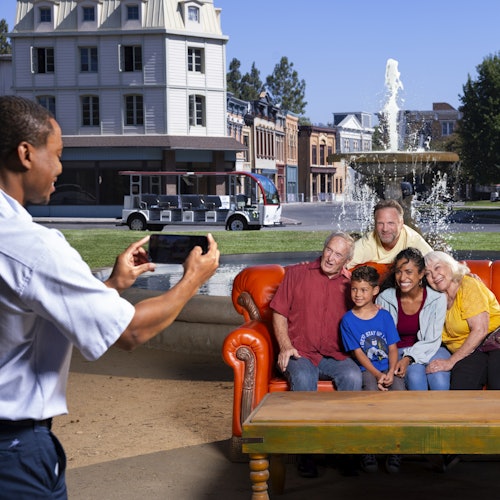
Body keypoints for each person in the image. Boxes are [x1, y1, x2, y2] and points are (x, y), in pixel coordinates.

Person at [0, 96, 219, 498]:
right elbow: (131, 332)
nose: (61, 168)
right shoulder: (33, 246)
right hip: (13, 449)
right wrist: (193, 278)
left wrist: (114, 285)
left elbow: (25, 316)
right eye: (59, 154)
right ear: (26, 154)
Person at [270, 231, 362, 477]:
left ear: (346, 261)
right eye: (329, 250)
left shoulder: (351, 286)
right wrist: (285, 345)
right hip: (301, 352)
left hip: (334, 356)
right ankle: (306, 453)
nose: (330, 258)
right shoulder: (296, 274)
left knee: (353, 377)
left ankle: (343, 452)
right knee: (303, 379)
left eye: (338, 254)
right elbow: (278, 312)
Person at [340, 265, 405, 474]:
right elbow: (358, 354)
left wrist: (391, 371)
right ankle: (368, 449)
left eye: (363, 289)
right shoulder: (347, 321)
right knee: (369, 394)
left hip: (389, 367)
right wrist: (378, 375)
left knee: (400, 395)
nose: (358, 294)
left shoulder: (384, 316)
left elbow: (393, 348)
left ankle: (396, 449)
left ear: (374, 291)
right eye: (354, 289)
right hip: (368, 369)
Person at [376, 247, 450, 390]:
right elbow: (380, 338)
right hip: (398, 350)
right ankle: (421, 413)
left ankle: (442, 412)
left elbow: (432, 339)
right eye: (398, 272)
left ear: (421, 273)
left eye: (409, 272)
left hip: (432, 347)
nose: (402, 278)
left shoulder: (437, 299)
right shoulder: (384, 298)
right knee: (415, 376)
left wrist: (408, 358)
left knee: (439, 379)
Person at [424, 251, 500, 390]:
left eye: (437, 267)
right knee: (461, 386)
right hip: (471, 351)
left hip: (495, 341)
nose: (434, 276)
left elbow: (480, 330)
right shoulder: (434, 299)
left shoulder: (468, 285)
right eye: (427, 273)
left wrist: (450, 362)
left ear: (451, 265)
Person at [347, 199, 432, 270]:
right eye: (380, 223)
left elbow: (436, 265)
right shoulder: (368, 242)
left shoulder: (413, 240)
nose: (385, 229)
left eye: (390, 223)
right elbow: (341, 265)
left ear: (401, 223)